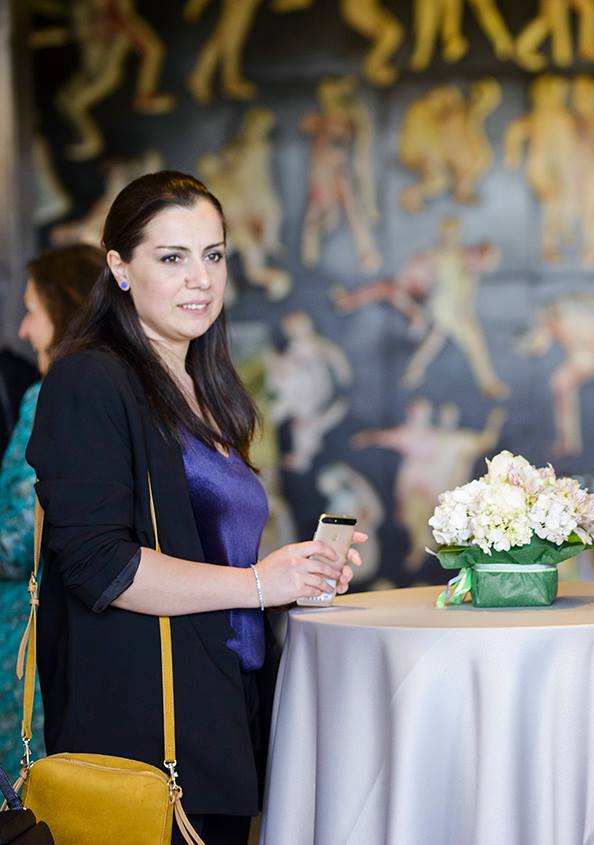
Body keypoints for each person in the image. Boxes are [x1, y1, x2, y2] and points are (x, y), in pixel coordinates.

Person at [26, 171, 366, 845]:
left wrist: (298, 576)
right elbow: (102, 567)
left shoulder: (206, 386)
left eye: (212, 255)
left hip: (226, 704)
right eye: (172, 257)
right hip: (144, 725)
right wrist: (260, 583)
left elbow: (214, 549)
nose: (200, 279)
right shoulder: (90, 378)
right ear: (119, 267)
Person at [0, 244, 102, 758]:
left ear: (62, 312)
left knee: (25, 784)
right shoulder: (115, 392)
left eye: (32, 312)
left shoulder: (46, 398)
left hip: (24, 636)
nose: (23, 330)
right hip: (83, 631)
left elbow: (19, 540)